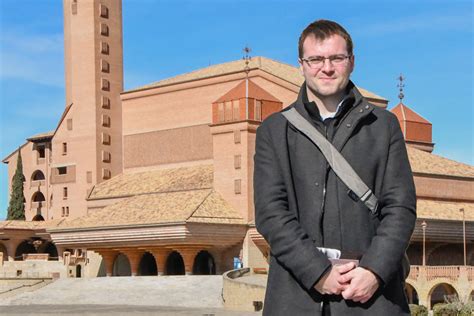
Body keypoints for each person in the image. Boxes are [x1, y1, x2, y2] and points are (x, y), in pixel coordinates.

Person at [254, 19, 416, 315]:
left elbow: (400, 208)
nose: (326, 68)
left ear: (351, 62)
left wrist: (374, 271)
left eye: (336, 58)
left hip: (370, 296)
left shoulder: (384, 127)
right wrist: (317, 272)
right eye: (315, 59)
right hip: (296, 296)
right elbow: (271, 213)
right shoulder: (273, 131)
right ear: (301, 64)